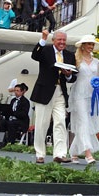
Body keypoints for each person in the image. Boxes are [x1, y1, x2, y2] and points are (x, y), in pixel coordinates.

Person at [30, 29, 76, 163]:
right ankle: (40, 154)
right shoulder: (45, 50)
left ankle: (60, 154)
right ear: (53, 40)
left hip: (60, 92)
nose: (62, 42)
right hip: (44, 92)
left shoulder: (69, 55)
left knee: (60, 122)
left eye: (64, 40)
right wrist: (43, 38)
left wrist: (68, 75)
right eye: (59, 40)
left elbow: (73, 77)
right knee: (41, 124)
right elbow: (35, 55)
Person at [68, 34, 99, 164]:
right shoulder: (76, 59)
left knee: (87, 123)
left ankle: (73, 152)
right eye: (89, 44)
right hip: (79, 94)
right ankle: (88, 153)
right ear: (83, 45)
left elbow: (98, 79)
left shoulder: (97, 62)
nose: (91, 47)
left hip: (92, 95)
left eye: (92, 44)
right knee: (83, 122)